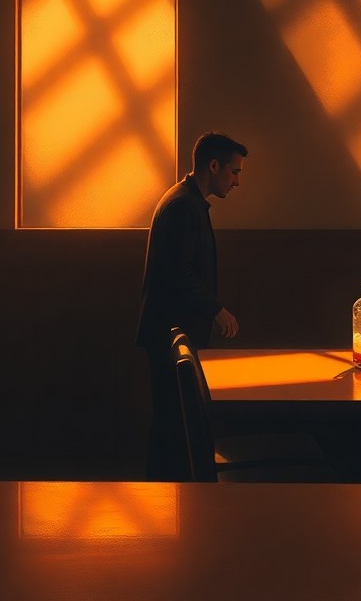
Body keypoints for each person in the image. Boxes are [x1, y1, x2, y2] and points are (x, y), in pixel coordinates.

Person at [135, 131, 246, 481]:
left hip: (169, 330)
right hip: (172, 329)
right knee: (171, 421)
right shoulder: (184, 205)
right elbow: (177, 272)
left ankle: (166, 499)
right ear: (213, 166)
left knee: (172, 420)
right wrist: (217, 309)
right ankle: (164, 497)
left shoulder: (184, 200)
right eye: (234, 171)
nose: (237, 181)